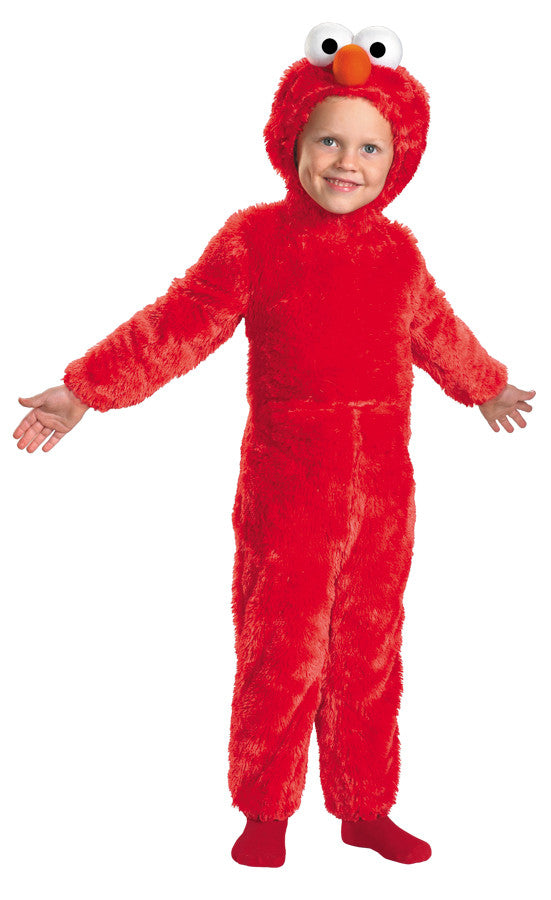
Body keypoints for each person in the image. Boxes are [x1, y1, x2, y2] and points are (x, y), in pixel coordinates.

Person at [12, 23, 536, 868]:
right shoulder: (255, 239)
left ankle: (364, 807)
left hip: (385, 499)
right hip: (289, 491)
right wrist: (86, 389)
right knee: (282, 648)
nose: (346, 162)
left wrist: (486, 386)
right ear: (290, 141)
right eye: (328, 140)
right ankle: (265, 811)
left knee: (369, 650)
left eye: (369, 147)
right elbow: (177, 323)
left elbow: (438, 330)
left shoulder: (398, 253)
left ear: (397, 161)